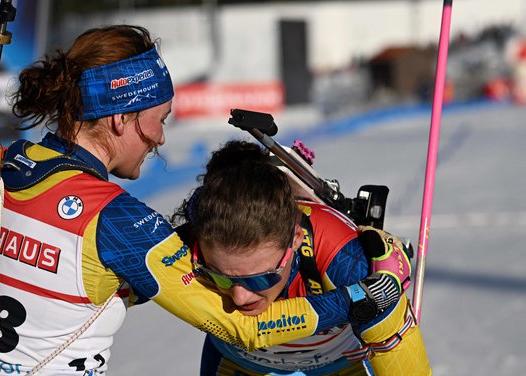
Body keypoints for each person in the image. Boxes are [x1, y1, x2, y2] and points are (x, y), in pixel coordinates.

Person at [0, 25, 407, 375]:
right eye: (160, 118)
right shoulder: (118, 221)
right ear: (122, 117)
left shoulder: (11, 164)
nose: (160, 138)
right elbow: (247, 330)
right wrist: (364, 294)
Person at [173, 139, 431, 375]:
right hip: (240, 362)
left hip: (340, 365)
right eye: (221, 277)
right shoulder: (192, 241)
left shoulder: (340, 255)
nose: (240, 297)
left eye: (260, 278)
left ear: (295, 239)